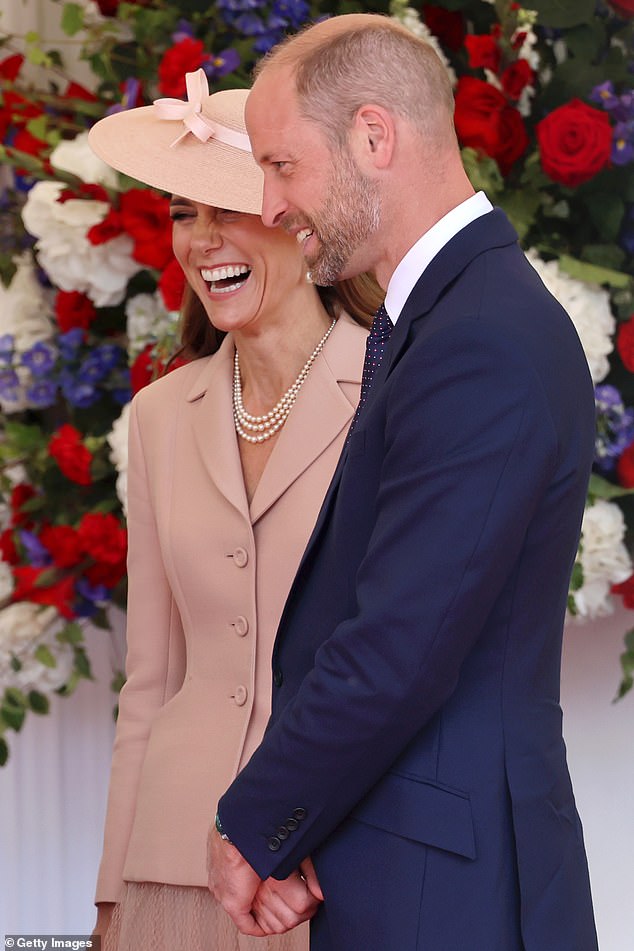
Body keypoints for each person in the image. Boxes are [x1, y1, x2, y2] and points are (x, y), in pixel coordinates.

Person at [208, 14, 600, 951]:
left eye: (283, 166)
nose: (267, 206)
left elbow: (398, 645)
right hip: (419, 862)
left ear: (374, 136)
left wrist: (254, 825)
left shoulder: (481, 339)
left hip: (447, 893)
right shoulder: (449, 318)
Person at [87, 69, 379, 950]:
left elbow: (405, 657)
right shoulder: (157, 416)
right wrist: (109, 899)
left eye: (228, 204)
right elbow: (151, 680)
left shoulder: (396, 391)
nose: (202, 238)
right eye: (183, 211)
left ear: (302, 213)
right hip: (174, 872)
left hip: (331, 865)